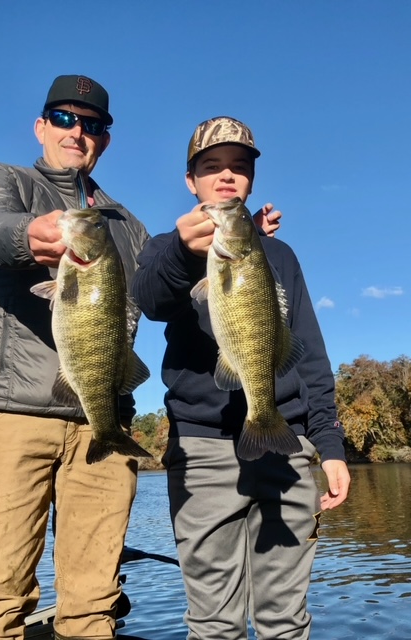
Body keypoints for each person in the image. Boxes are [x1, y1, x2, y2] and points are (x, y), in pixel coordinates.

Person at [131, 116, 351, 640]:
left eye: (238, 167)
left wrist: (330, 443)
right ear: (191, 181)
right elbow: (151, 300)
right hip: (203, 452)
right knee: (213, 623)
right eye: (211, 167)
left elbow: (312, 355)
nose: (225, 176)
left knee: (285, 619)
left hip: (287, 445)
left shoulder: (278, 254)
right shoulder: (169, 249)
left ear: (251, 180)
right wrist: (185, 254)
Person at [0, 74, 150, 640]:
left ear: (105, 141)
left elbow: (151, 300)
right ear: (41, 126)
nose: (77, 131)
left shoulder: (128, 224)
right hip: (10, 416)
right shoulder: (4, 179)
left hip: (103, 423)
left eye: (91, 124)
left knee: (94, 608)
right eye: (64, 119)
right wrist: (28, 235)